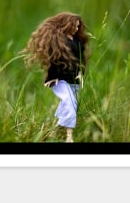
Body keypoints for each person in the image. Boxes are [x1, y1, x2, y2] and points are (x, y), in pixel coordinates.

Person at [21, 12, 89, 142]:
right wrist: (51, 77)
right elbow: (54, 60)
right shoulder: (59, 40)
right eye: (74, 26)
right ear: (66, 24)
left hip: (74, 78)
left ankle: (54, 129)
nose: (76, 29)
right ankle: (69, 137)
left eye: (78, 26)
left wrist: (81, 73)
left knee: (70, 104)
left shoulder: (77, 41)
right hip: (60, 79)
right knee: (69, 102)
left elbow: (80, 60)